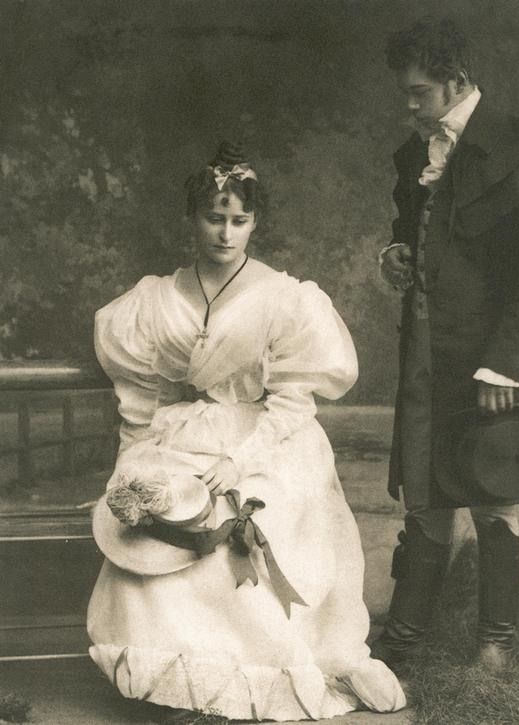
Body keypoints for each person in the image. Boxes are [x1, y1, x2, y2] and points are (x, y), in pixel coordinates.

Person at [87, 141, 406, 722]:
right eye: (215, 218)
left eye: (239, 220)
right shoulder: (154, 299)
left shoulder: (285, 299)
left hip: (266, 436)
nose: (226, 233)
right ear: (192, 218)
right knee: (162, 520)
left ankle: (251, 673)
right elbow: (145, 400)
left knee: (251, 517)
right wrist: (134, 460)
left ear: (255, 222)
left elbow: (291, 403)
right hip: (184, 431)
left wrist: (240, 459)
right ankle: (182, 678)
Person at [372, 18, 519, 672]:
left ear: (457, 80)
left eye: (420, 92)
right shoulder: (417, 155)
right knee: (427, 497)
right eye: (406, 93)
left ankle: (495, 646)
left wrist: (504, 365)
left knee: (494, 494)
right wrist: (396, 251)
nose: (410, 106)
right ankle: (403, 644)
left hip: (492, 363)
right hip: (428, 358)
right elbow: (413, 226)